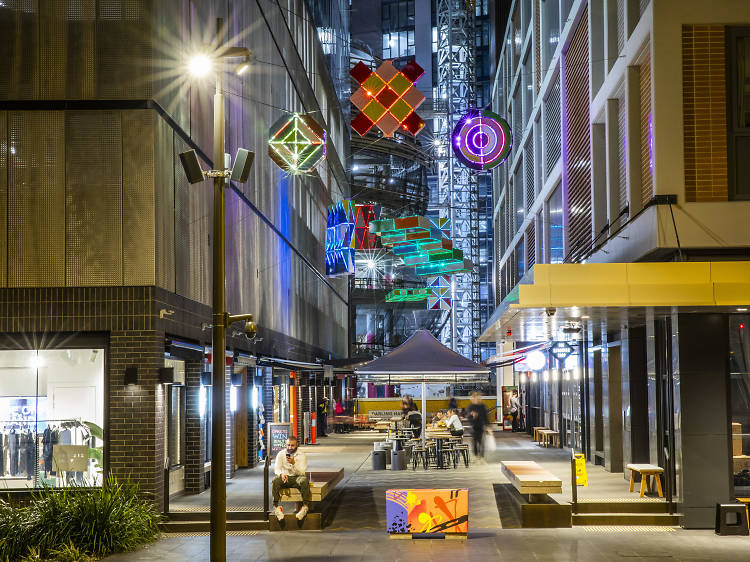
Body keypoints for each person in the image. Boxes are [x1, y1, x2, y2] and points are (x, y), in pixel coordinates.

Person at [272, 436, 310, 520]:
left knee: (304, 480)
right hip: (285, 478)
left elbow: (301, 472)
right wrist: (281, 474)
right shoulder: (281, 454)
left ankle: (305, 507)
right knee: (275, 480)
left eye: (292, 445)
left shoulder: (301, 455)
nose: (290, 447)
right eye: (288, 445)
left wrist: (293, 464)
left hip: (297, 477)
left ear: (296, 445)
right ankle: (276, 507)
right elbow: (277, 468)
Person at [467, 392, 489, 458]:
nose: (475, 399)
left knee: (481, 441)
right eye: (473, 398)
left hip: (481, 426)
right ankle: (476, 455)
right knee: (474, 441)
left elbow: (486, 416)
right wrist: (472, 416)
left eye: (477, 398)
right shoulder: (470, 407)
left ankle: (481, 455)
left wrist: (487, 425)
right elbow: (468, 416)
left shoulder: (482, 406)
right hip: (474, 426)